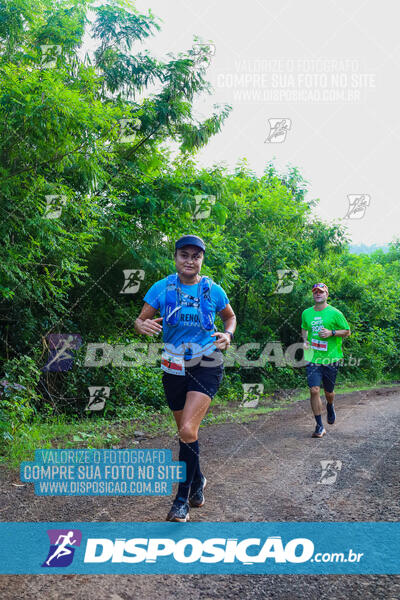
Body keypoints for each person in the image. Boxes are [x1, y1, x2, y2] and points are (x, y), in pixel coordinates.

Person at [134, 234, 236, 521]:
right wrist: (141, 326)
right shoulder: (161, 288)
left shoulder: (213, 290)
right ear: (176, 257)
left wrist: (227, 335)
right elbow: (140, 319)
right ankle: (198, 480)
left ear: (202, 259)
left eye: (196, 256)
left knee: (188, 430)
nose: (190, 260)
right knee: (186, 434)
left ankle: (181, 500)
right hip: (173, 366)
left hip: (207, 362)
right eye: (184, 255)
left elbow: (230, 317)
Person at [301, 283, 351, 438]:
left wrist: (332, 332)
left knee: (328, 392)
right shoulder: (306, 313)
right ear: (313, 294)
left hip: (331, 357)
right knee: (314, 389)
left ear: (326, 294)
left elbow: (347, 332)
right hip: (313, 357)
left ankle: (330, 405)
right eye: (315, 292)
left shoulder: (335, 313)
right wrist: (305, 340)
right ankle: (319, 426)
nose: (318, 294)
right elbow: (304, 327)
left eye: (321, 292)